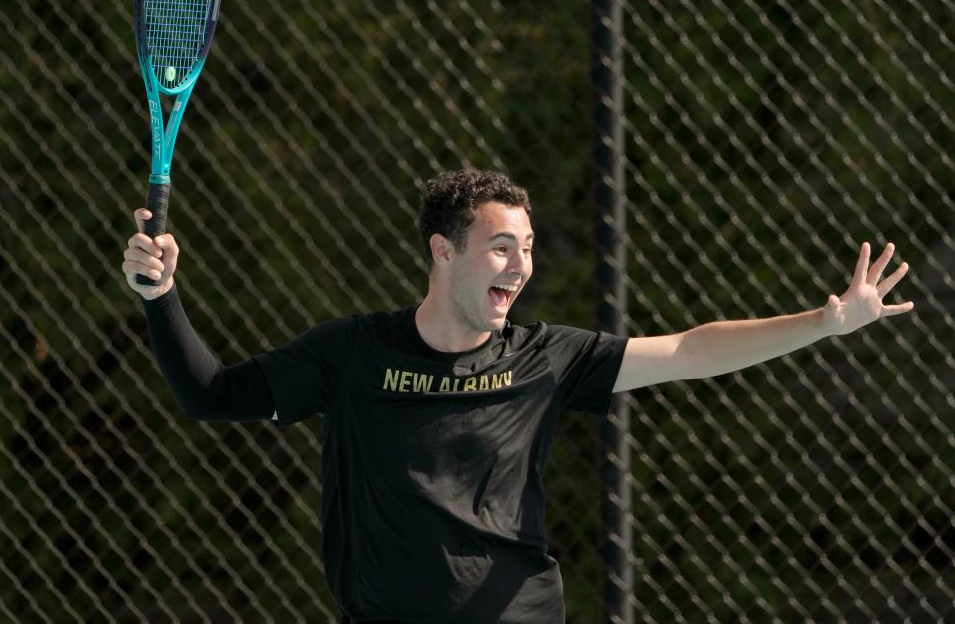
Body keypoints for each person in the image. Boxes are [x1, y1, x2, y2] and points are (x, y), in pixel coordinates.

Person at [122, 168, 914, 623]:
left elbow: (689, 350)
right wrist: (161, 299)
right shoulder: (353, 354)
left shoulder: (543, 359)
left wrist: (825, 321)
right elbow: (209, 394)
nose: (520, 264)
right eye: (501, 246)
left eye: (528, 247)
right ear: (443, 251)